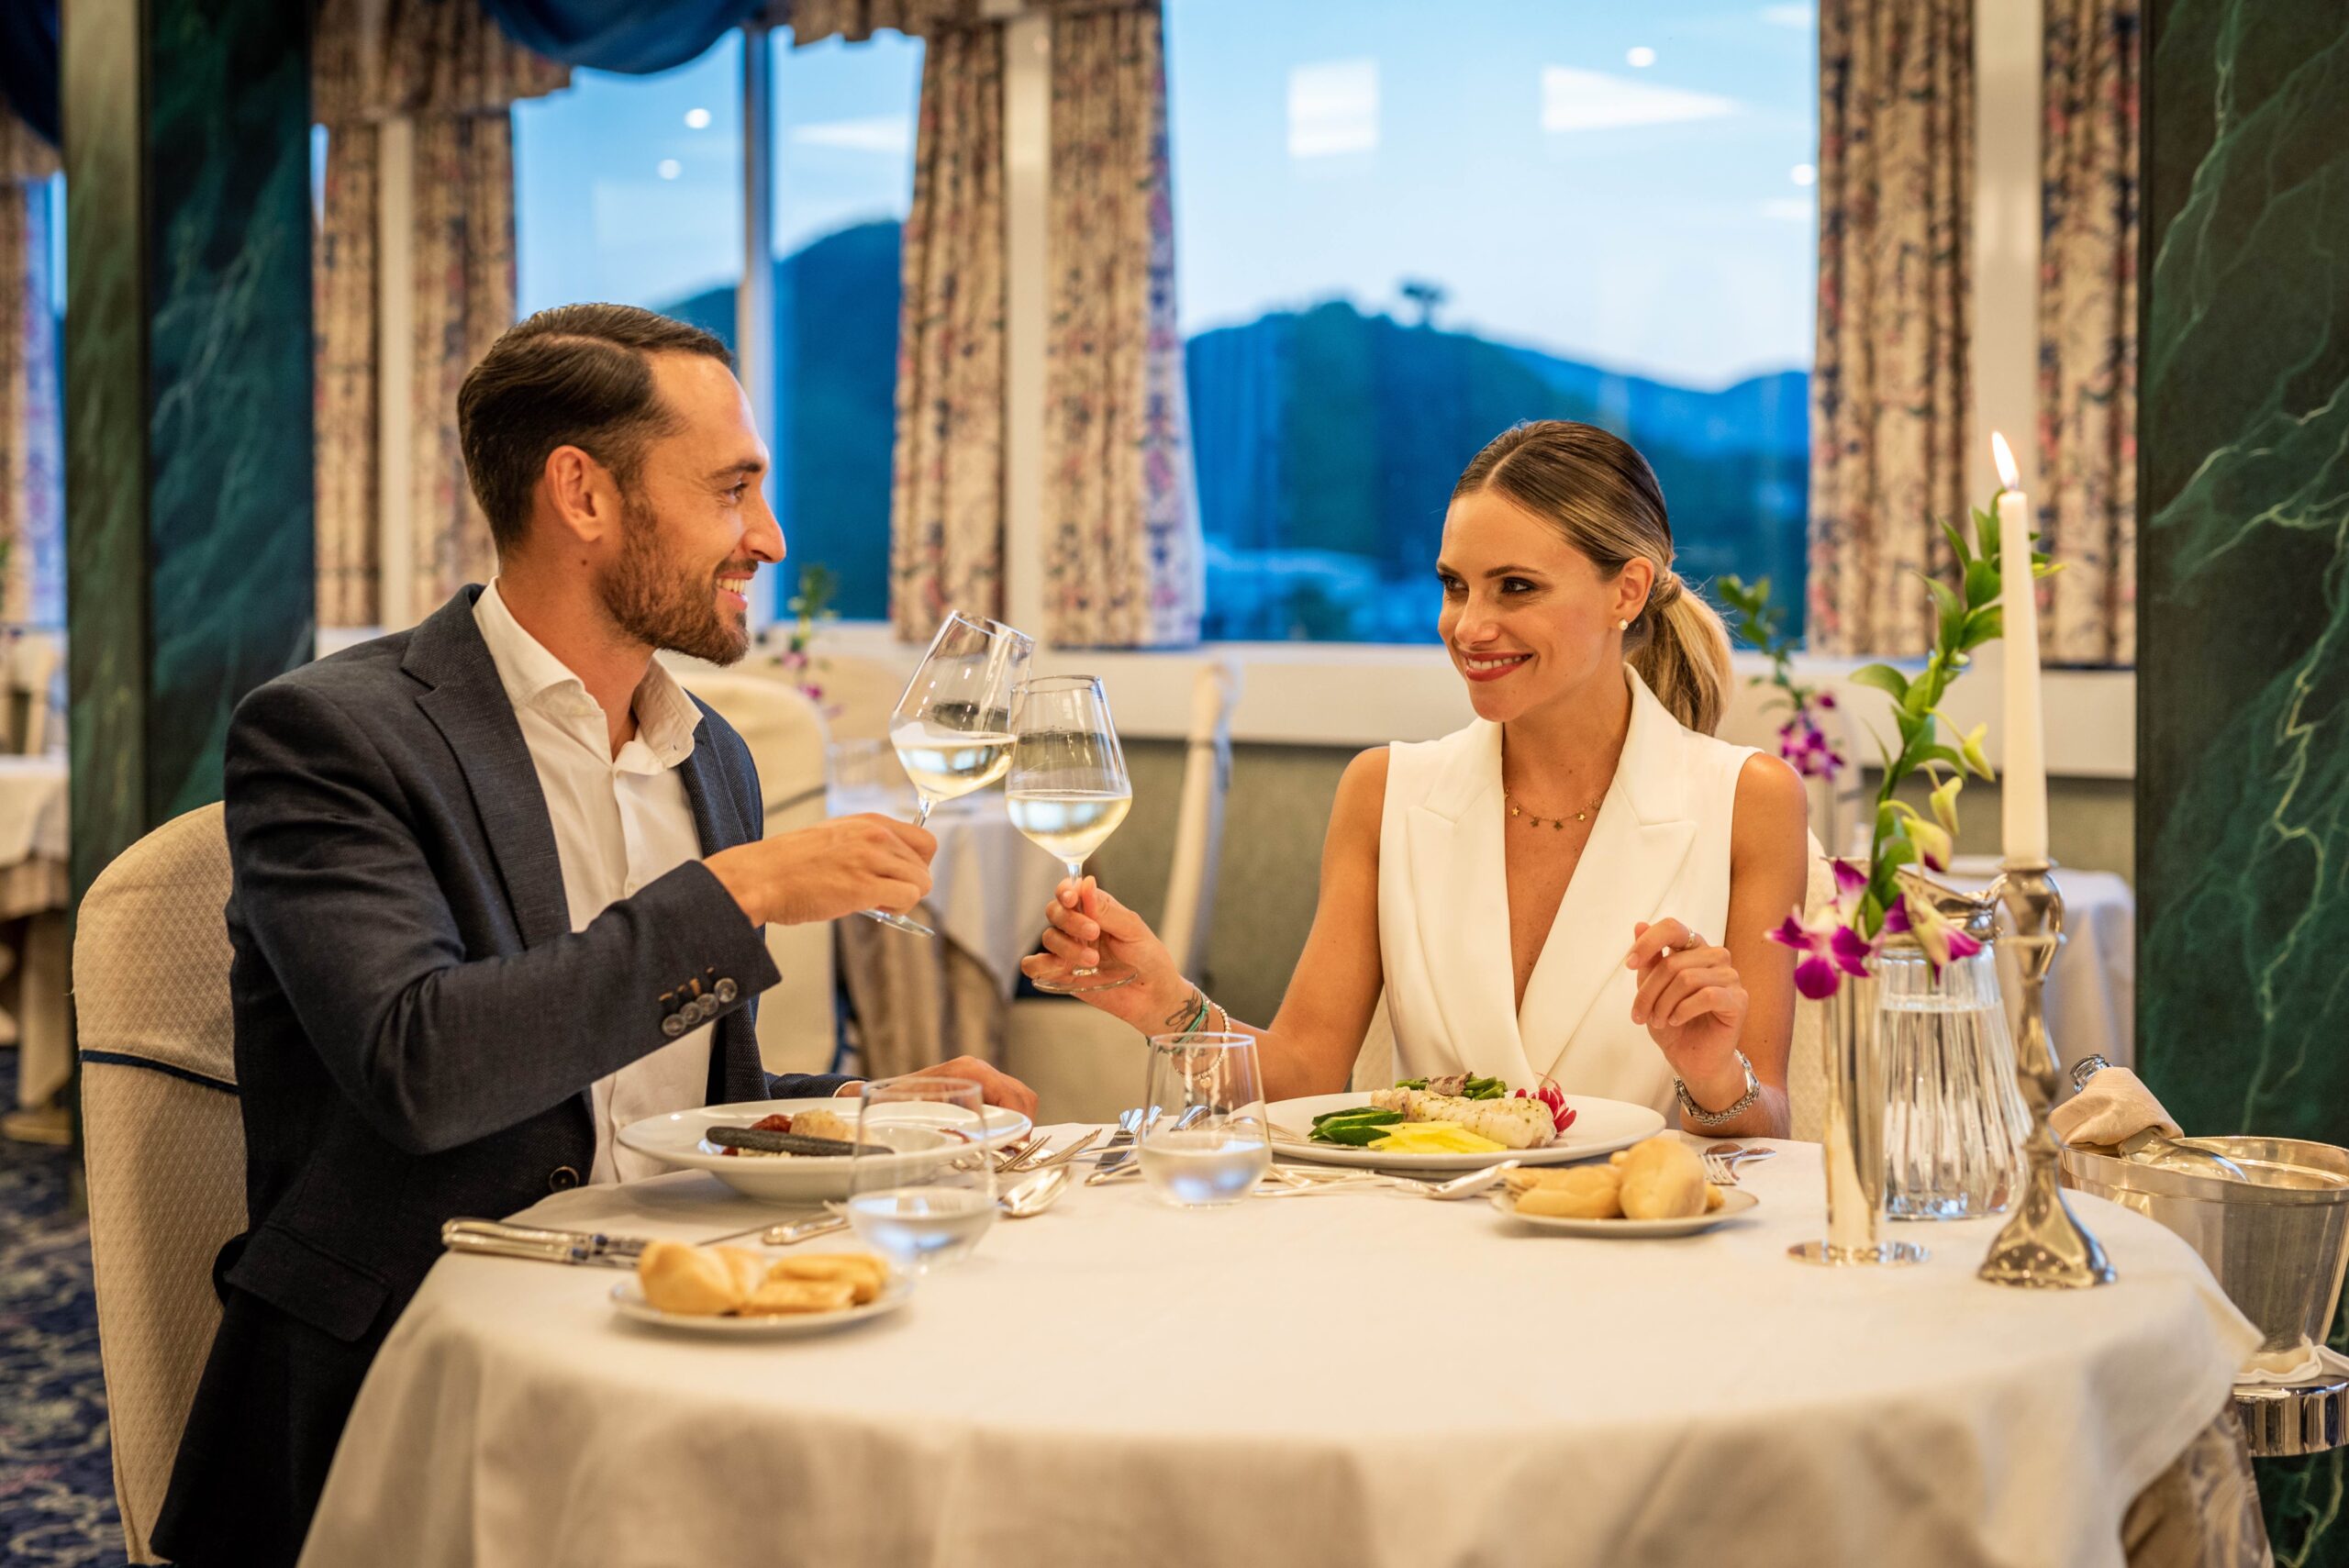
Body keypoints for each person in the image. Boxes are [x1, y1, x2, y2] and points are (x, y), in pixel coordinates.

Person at [151, 304, 1035, 1568]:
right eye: (732, 490)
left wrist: (853, 1110)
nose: (770, 539)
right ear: (582, 494)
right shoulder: (335, 735)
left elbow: (637, 1102)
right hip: (424, 1373)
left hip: (681, 1331)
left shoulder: (705, 751)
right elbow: (426, 1067)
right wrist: (739, 897)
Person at [1026, 420, 1807, 1137]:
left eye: (1516, 586)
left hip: (1640, 1256)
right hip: (1425, 1253)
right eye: (1455, 584)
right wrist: (1166, 1003)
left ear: (1627, 591)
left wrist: (1710, 1071)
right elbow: (1303, 1078)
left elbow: (1765, 1127)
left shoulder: (1748, 802)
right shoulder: (1385, 792)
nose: (1468, 626)